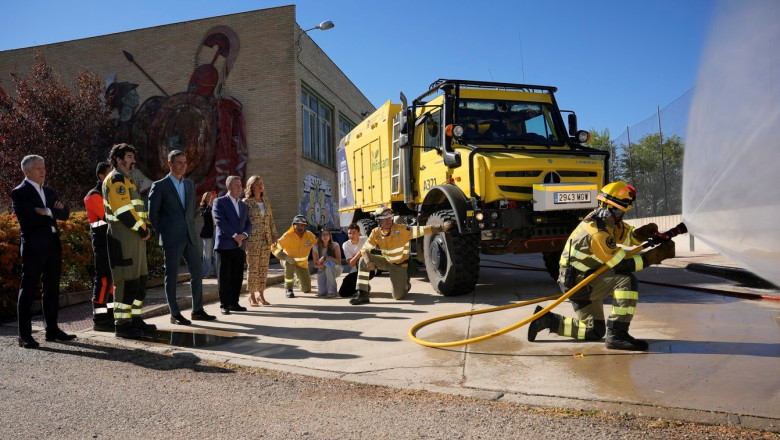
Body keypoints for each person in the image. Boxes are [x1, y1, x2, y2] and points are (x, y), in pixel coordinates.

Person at [526, 181, 676, 351]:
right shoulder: (597, 232)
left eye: (622, 211)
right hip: (579, 283)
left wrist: (641, 234)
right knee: (626, 281)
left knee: (593, 330)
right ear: (608, 207)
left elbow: (626, 236)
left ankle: (547, 320)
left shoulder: (605, 221)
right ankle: (617, 335)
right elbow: (622, 264)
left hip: (579, 279)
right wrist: (655, 256)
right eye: (619, 211)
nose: (620, 215)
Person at [11, 155, 76, 348]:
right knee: (28, 290)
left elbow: (65, 214)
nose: (43, 171)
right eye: (38, 168)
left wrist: (46, 211)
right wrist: (51, 213)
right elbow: (28, 218)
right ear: (27, 172)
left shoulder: (48, 191)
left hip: (53, 246)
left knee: (52, 289)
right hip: (33, 247)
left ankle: (52, 330)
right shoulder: (20, 192)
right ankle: (24, 335)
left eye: (44, 167)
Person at [148, 150, 217, 325]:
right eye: (179, 162)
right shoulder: (160, 186)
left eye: (185, 162)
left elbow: (190, 211)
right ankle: (174, 313)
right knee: (171, 276)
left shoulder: (189, 185)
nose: (183, 165)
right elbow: (153, 215)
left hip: (190, 237)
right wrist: (164, 234)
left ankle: (197, 310)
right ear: (170, 164)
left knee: (197, 272)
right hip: (171, 239)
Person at [103, 144, 156, 339]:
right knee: (127, 281)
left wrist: (146, 227)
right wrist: (143, 229)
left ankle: (135, 320)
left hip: (136, 236)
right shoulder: (116, 179)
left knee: (140, 281)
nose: (133, 160)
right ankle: (123, 325)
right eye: (129, 156)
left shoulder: (128, 180)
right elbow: (123, 211)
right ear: (118, 159)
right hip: (123, 235)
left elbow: (137, 208)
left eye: (134, 156)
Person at [350, 206, 453, 305]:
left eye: (389, 218)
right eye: (384, 219)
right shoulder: (375, 233)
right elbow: (365, 249)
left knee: (397, 296)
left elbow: (421, 230)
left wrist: (441, 227)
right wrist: (368, 261)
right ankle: (363, 294)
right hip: (386, 261)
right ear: (379, 221)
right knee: (363, 260)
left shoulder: (402, 230)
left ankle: (406, 284)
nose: (387, 221)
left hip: (399, 265)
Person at [83, 161, 115, 332]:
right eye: (110, 173)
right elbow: (107, 215)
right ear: (102, 176)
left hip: (109, 240)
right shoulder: (94, 195)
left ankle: (107, 316)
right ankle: (100, 319)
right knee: (103, 279)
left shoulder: (105, 193)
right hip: (102, 242)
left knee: (109, 281)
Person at [213, 175, 252, 315]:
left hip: (239, 246)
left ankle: (234, 303)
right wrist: (236, 236)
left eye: (240, 185)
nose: (240, 188)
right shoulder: (219, 202)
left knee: (237, 276)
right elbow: (220, 221)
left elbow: (248, 224)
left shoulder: (243, 205)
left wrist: (244, 236)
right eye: (236, 185)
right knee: (224, 277)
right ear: (228, 187)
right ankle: (225, 304)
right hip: (224, 246)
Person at [242, 175, 278, 306]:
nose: (260, 186)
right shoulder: (246, 202)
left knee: (263, 268)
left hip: (266, 239)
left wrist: (274, 235)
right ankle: (251, 296)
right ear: (251, 187)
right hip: (252, 239)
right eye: (257, 184)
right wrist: (245, 239)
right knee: (253, 268)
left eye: (261, 183)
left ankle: (261, 295)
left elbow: (271, 220)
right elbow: (243, 222)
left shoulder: (266, 201)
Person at [272, 215, 316, 298]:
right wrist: (285, 257)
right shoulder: (287, 236)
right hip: (288, 261)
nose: (299, 227)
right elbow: (274, 249)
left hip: (302, 265)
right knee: (290, 263)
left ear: (305, 227)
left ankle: (296, 279)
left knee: (307, 289)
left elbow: (319, 244)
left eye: (302, 225)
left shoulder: (310, 236)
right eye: (297, 225)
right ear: (293, 225)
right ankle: (288, 289)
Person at [338, 223, 370, 298]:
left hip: (368, 269)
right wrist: (359, 253)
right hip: (355, 270)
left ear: (359, 233)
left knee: (361, 261)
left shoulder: (365, 239)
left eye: (354, 233)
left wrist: (355, 258)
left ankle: (363, 290)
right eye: (349, 233)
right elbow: (351, 264)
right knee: (343, 292)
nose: (351, 235)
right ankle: (364, 287)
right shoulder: (346, 245)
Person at [312, 228, 342, 298]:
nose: (325, 236)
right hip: (322, 268)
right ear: (320, 236)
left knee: (328, 263)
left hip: (335, 268)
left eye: (327, 234)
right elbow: (315, 265)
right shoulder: (315, 247)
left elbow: (338, 261)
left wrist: (326, 258)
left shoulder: (335, 245)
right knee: (322, 292)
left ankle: (332, 290)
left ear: (330, 236)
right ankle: (326, 288)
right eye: (323, 234)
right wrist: (320, 264)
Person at [199, 190, 217, 279]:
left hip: (217, 230)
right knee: (207, 254)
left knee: (217, 253)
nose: (210, 197)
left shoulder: (217, 206)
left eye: (211, 196)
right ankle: (206, 273)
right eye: (208, 196)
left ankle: (218, 273)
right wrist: (210, 204)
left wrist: (215, 202)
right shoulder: (203, 207)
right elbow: (205, 215)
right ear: (205, 199)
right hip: (208, 232)